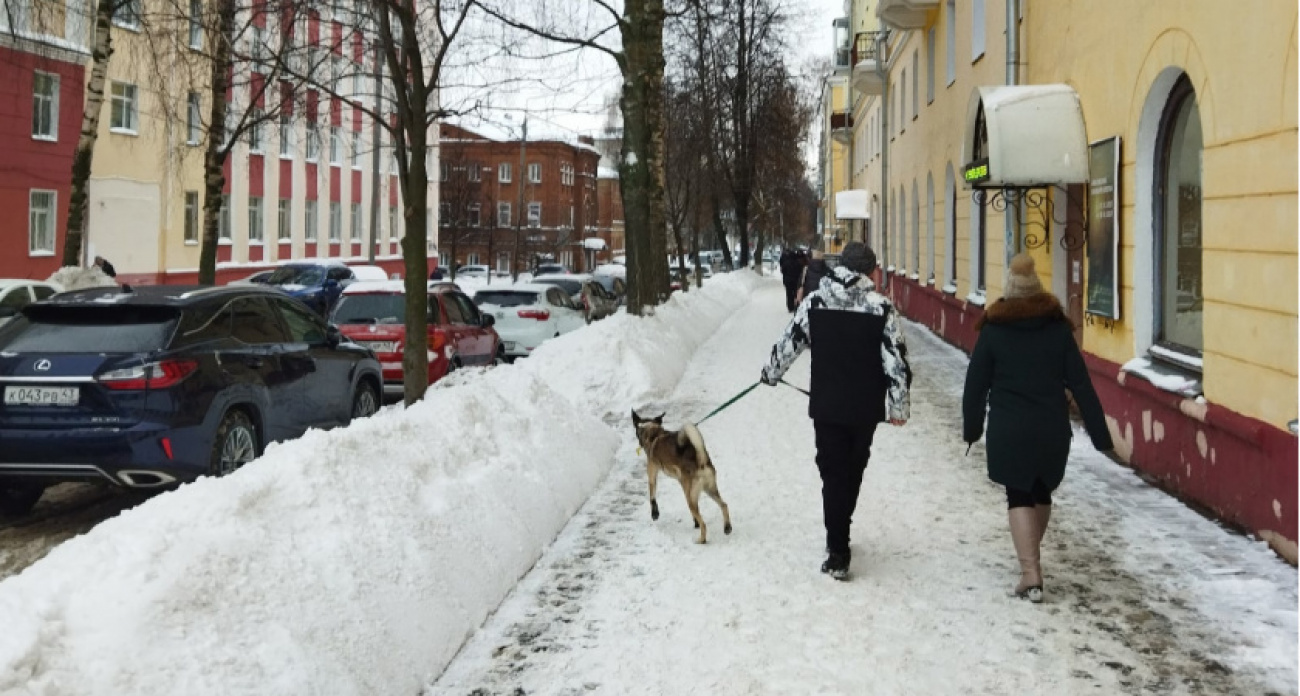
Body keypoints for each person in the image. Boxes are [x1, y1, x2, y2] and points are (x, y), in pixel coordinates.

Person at [962, 253, 1113, 603]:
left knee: (1018, 493)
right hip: (1051, 427)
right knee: (1041, 490)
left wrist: (972, 430)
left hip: (1009, 427)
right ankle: (1031, 562)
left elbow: (975, 386)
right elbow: (1082, 384)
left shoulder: (993, 330)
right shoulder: (1058, 330)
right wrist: (1101, 435)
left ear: (1009, 292)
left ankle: (1031, 572)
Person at [760, 241, 911, 580]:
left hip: (827, 403)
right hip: (864, 406)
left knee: (832, 472)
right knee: (854, 467)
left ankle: (837, 543)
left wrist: (771, 373)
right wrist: (898, 405)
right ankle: (840, 540)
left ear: (841, 265)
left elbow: (791, 340)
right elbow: (896, 359)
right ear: (871, 271)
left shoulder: (816, 301)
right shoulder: (881, 307)